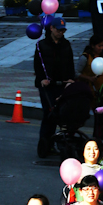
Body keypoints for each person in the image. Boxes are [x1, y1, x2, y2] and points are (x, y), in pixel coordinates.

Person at [34, 14, 76, 157]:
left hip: (62, 84)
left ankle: (62, 142)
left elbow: (70, 64)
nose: (60, 33)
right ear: (51, 28)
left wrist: (71, 79)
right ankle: (45, 143)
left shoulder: (66, 45)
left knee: (62, 114)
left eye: (63, 30)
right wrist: (41, 79)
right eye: (58, 30)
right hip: (47, 85)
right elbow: (37, 65)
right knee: (49, 113)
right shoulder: (42, 45)